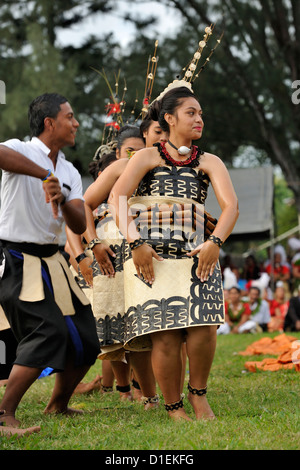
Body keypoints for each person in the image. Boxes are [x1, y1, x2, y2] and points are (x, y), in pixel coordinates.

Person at [108, 84, 239, 421]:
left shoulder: (209, 161)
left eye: (200, 114)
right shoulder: (146, 157)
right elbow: (116, 199)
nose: (199, 119)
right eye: (191, 113)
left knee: (204, 328)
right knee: (165, 334)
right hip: (152, 258)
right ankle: (173, 406)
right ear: (169, 118)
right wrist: (136, 244)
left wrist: (215, 242)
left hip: (198, 255)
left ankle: (198, 395)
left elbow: (231, 207)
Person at [0, 93, 100, 433]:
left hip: (54, 262)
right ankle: (4, 414)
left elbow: (78, 225)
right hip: (17, 257)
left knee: (87, 336)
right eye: (70, 117)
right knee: (48, 331)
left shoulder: (69, 169)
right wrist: (44, 175)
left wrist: (61, 194)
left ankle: (58, 404)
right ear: (49, 123)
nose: (75, 123)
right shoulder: (21, 149)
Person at [67, 121, 168, 407]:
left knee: (164, 328)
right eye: (156, 133)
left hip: (162, 251)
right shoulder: (119, 168)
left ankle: (174, 391)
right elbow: (82, 208)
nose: (160, 138)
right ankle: (145, 394)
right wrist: (90, 246)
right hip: (119, 258)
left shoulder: (174, 167)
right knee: (133, 329)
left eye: (164, 133)